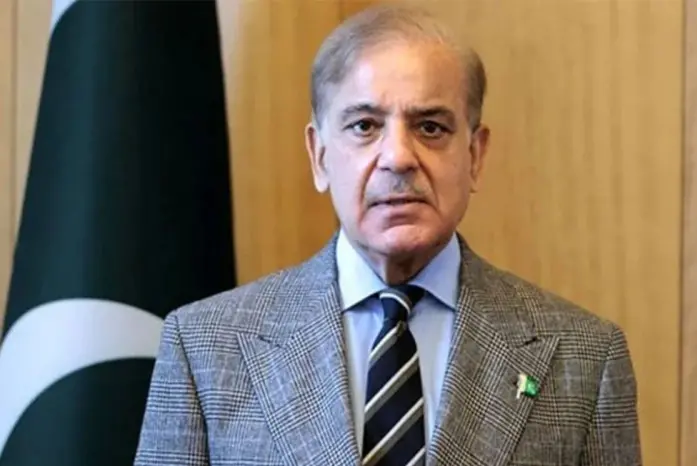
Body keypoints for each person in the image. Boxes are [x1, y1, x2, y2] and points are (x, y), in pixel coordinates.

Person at [134, 5, 642, 466]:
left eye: (430, 127)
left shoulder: (585, 358)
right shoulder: (205, 348)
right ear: (319, 156)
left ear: (474, 156)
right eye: (364, 126)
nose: (398, 157)